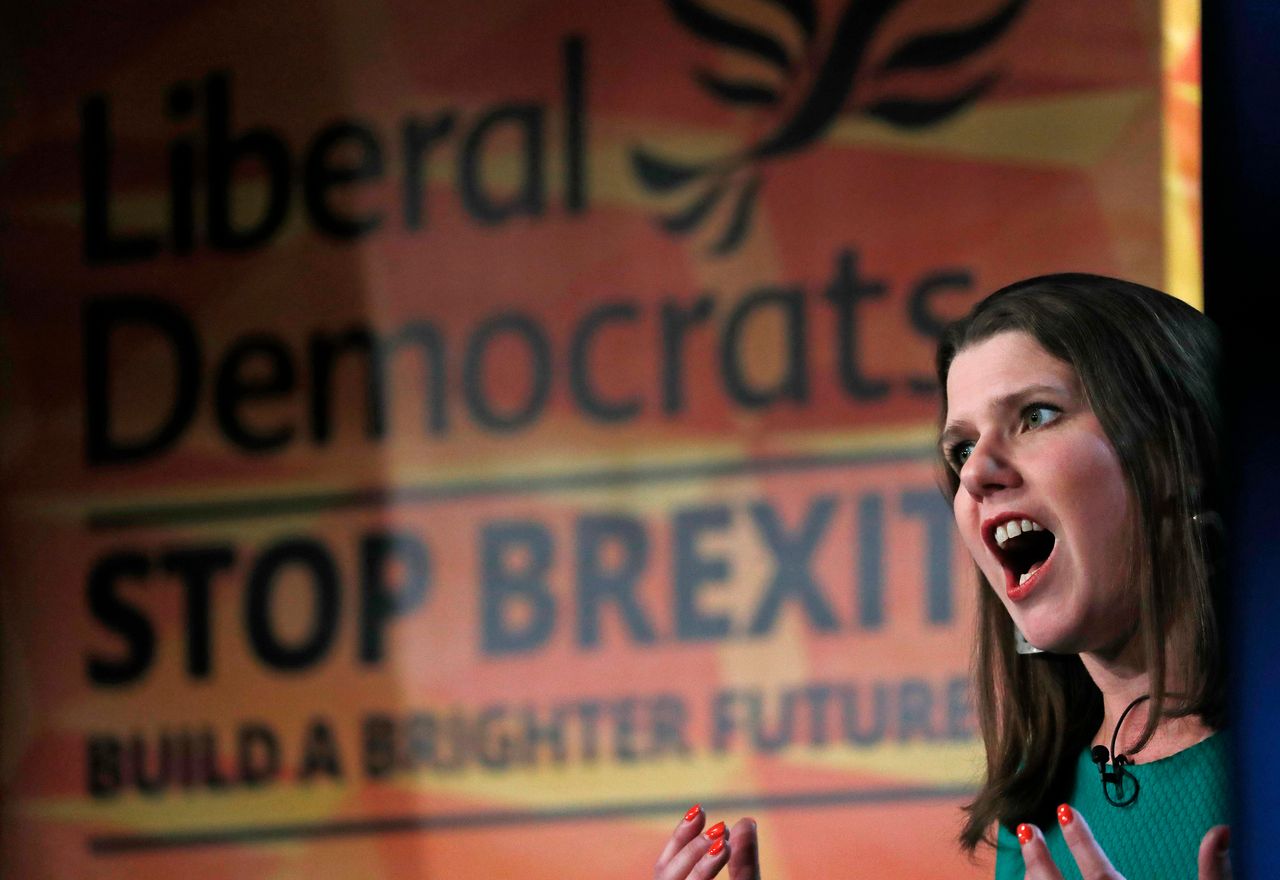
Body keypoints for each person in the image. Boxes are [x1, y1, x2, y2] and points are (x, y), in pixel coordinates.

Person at [651, 274, 1232, 880]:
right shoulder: (1037, 808)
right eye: (960, 449)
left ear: (1177, 453)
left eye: (1036, 415)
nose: (977, 471)